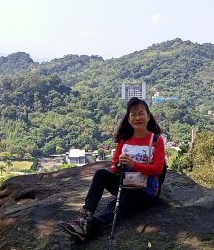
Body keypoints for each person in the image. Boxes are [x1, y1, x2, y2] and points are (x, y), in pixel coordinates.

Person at [58, 97, 166, 242]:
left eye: (141, 113)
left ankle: (88, 227)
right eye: (133, 114)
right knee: (101, 174)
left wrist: (134, 165)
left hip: (145, 190)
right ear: (128, 118)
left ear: (148, 116)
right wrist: (119, 166)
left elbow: (158, 169)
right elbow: (114, 167)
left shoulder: (155, 140)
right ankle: (85, 216)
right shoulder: (124, 139)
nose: (137, 117)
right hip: (126, 184)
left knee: (118, 204)